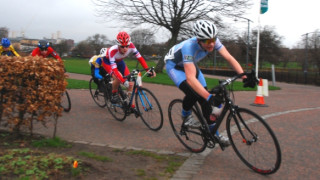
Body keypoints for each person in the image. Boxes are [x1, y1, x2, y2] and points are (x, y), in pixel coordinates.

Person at [165, 20, 246, 146]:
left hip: (190, 65)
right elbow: (190, 78)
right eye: (208, 41)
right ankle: (186, 116)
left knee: (205, 101)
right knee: (194, 93)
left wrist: (244, 75)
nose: (212, 44)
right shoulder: (189, 46)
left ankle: (215, 135)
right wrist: (209, 97)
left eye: (214, 39)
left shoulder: (211, 41)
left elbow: (229, 58)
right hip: (174, 67)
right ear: (199, 40)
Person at [102, 31, 156, 104]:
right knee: (118, 79)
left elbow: (140, 58)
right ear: (118, 45)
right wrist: (123, 81)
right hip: (108, 62)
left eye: (127, 46)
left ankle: (129, 104)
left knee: (130, 82)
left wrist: (147, 70)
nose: (125, 49)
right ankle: (114, 94)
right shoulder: (112, 51)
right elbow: (114, 70)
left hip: (120, 62)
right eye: (122, 46)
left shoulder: (132, 46)